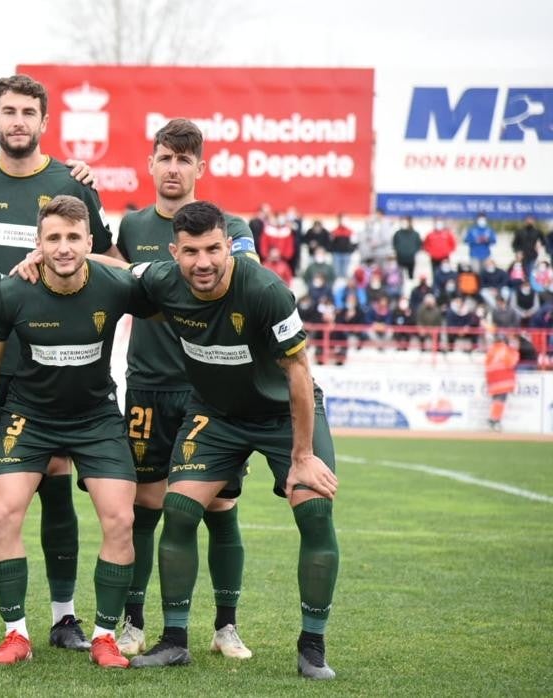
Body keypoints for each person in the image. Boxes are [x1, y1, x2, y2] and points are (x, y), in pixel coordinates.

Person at [117, 201, 339, 680]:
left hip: (282, 413)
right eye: (191, 251)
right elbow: (115, 269)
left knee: (315, 509)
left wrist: (302, 455)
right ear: (174, 253)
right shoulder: (162, 280)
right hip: (216, 413)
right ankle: (175, 641)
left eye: (213, 249)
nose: (203, 262)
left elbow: (299, 372)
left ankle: (312, 646)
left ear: (228, 247)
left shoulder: (265, 290)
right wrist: (47, 256)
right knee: (179, 509)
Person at [0, 74, 116, 651]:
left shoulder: (72, 183)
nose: (17, 121)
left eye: (27, 113)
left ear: (44, 121)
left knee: (58, 485)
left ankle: (64, 617)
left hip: (52, 368)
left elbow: (105, 257)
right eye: (8, 111)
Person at [0, 195, 137, 669]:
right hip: (29, 417)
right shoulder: (12, 292)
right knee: (3, 512)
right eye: (53, 238)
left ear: (89, 241)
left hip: (95, 417)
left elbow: (157, 286)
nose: (63, 247)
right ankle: (16, 634)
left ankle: (105, 638)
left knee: (120, 519)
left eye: (73, 237)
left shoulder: (116, 286)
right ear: (38, 243)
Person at [108, 118, 256, 658]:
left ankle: (225, 626)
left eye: (184, 160)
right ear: (150, 164)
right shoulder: (131, 226)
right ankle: (133, 622)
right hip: (148, 387)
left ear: (200, 167)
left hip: (212, 391)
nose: (174, 169)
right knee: (144, 506)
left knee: (220, 507)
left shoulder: (229, 225)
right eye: (165, 158)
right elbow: (110, 277)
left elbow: (247, 274)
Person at [484, 335, 520, 431]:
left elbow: (486, 363)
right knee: (500, 400)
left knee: (496, 400)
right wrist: (515, 351)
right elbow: (511, 363)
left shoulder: (492, 350)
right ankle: (494, 420)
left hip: (492, 379)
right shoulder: (507, 350)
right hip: (503, 379)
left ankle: (494, 419)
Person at [329, 215, 354, 280]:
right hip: (336, 254)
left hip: (346, 253)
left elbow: (354, 243)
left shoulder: (350, 231)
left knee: (345, 273)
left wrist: (351, 251)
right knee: (336, 272)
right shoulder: (334, 231)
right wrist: (332, 251)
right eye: (340, 220)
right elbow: (330, 242)